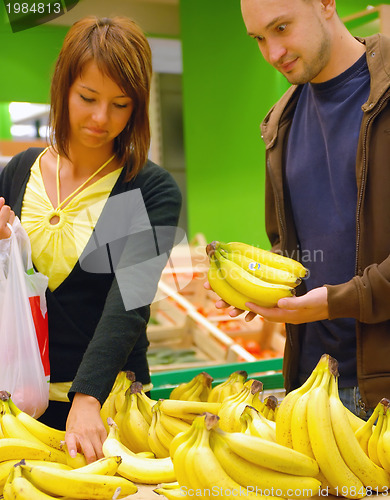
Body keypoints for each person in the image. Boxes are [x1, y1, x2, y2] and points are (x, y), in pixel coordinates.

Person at [0, 16, 181, 462]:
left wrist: (87, 397)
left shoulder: (143, 188)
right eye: (87, 98)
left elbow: (129, 302)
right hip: (18, 402)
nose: (102, 118)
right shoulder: (20, 172)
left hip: (108, 412)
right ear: (63, 87)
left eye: (120, 105)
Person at [209, 0, 390, 418]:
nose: (273, 53)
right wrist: (253, 285)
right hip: (310, 393)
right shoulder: (280, 122)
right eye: (259, 38)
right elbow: (296, 252)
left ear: (326, 3)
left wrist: (338, 300)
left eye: (282, 28)